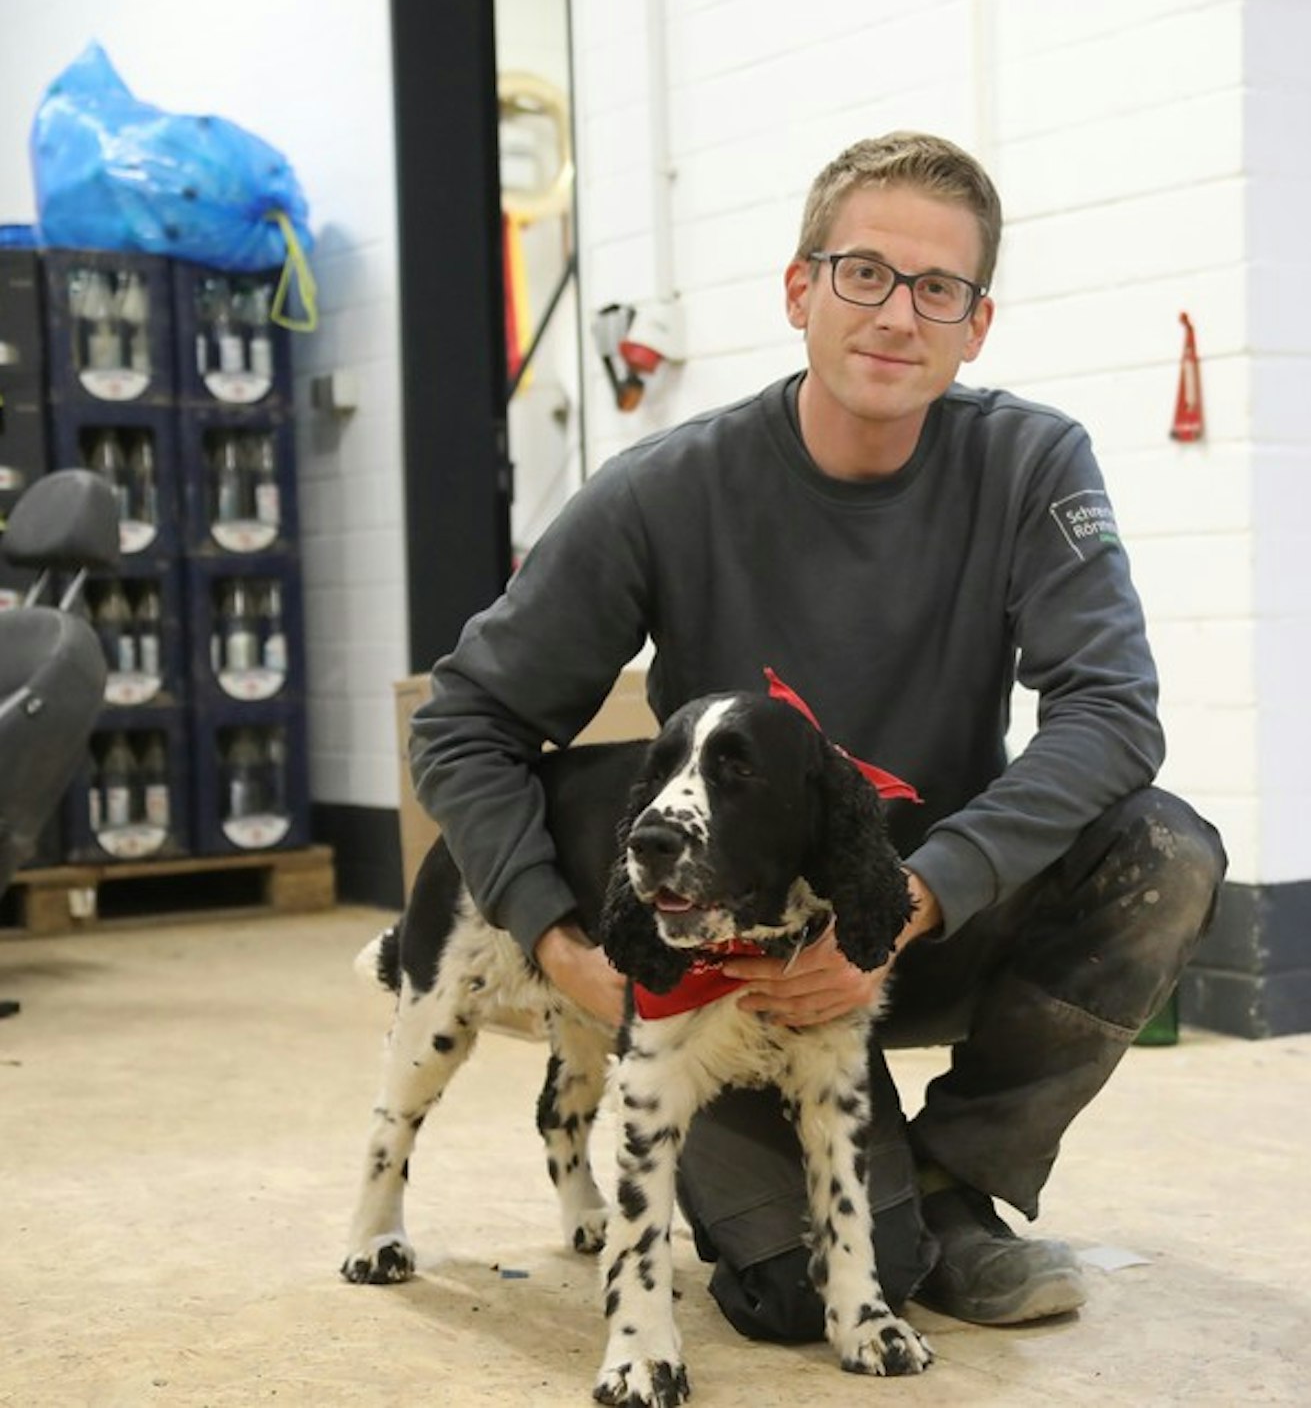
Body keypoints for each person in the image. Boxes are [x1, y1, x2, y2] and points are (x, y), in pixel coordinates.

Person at [409, 130, 1226, 1341]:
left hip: (915, 913)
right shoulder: (664, 491)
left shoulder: (1028, 461)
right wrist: (559, 935)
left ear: (975, 324)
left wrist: (910, 898)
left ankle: (952, 1183)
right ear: (800, 289)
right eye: (863, 273)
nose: (898, 315)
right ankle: (879, 1209)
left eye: (937, 288)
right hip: (732, 962)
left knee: (1166, 852)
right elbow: (466, 721)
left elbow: (1113, 710)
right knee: (804, 1296)